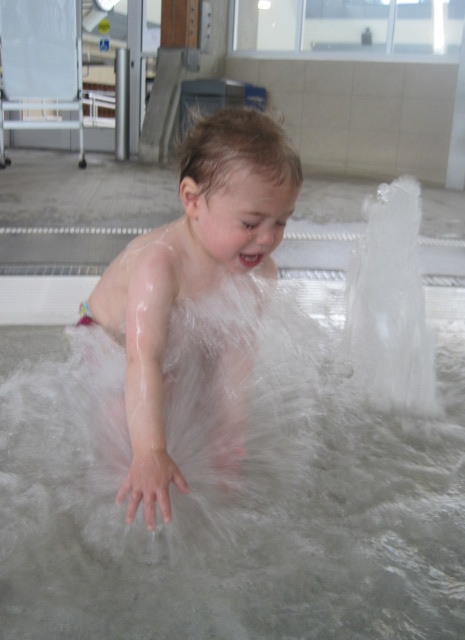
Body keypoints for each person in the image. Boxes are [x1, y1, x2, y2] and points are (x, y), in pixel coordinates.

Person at [80, 106, 303, 531]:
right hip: (108, 339)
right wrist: (149, 451)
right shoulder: (160, 265)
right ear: (192, 200)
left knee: (196, 396)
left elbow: (238, 352)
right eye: (250, 223)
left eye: (281, 222)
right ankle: (121, 488)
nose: (267, 239)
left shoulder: (258, 270)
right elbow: (142, 359)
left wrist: (230, 430)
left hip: (170, 337)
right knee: (130, 408)